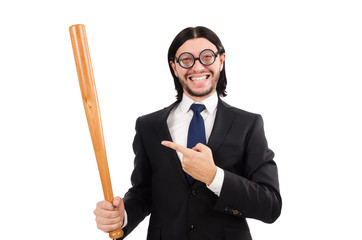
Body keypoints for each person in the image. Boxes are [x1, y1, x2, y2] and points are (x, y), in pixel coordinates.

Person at [93, 26, 282, 240]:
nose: (198, 66)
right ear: (174, 67)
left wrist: (214, 176)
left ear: (221, 60)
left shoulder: (248, 124)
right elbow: (144, 193)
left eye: (207, 57)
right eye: (186, 59)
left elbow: (270, 205)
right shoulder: (149, 126)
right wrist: (122, 214)